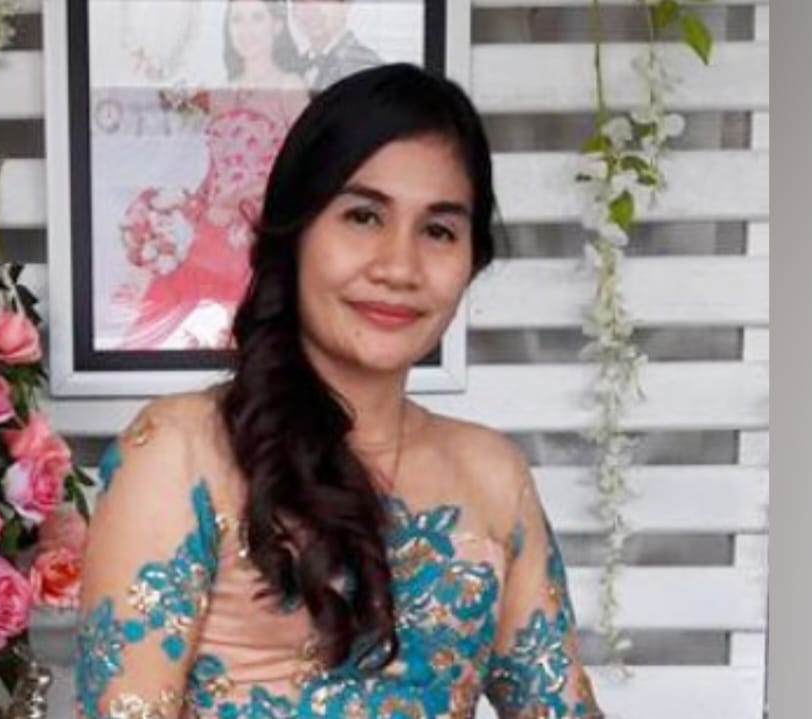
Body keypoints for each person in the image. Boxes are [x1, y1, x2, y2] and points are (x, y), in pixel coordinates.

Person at [80, 64, 603, 719]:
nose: (399, 267)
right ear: (294, 231)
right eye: (362, 216)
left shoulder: (492, 474)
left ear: (472, 259)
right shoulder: (178, 453)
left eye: (438, 230)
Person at [120, 0, 311, 350]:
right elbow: (216, 169)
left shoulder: (289, 86)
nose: (246, 30)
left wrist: (240, 199)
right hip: (214, 219)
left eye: (257, 18)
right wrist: (191, 205)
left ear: (277, 26)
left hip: (259, 224)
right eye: (237, 20)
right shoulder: (222, 92)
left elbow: (305, 165)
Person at [289, 0, 384, 91]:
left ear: (346, 5)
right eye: (301, 1)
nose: (311, 10)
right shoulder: (295, 66)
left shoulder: (364, 69)